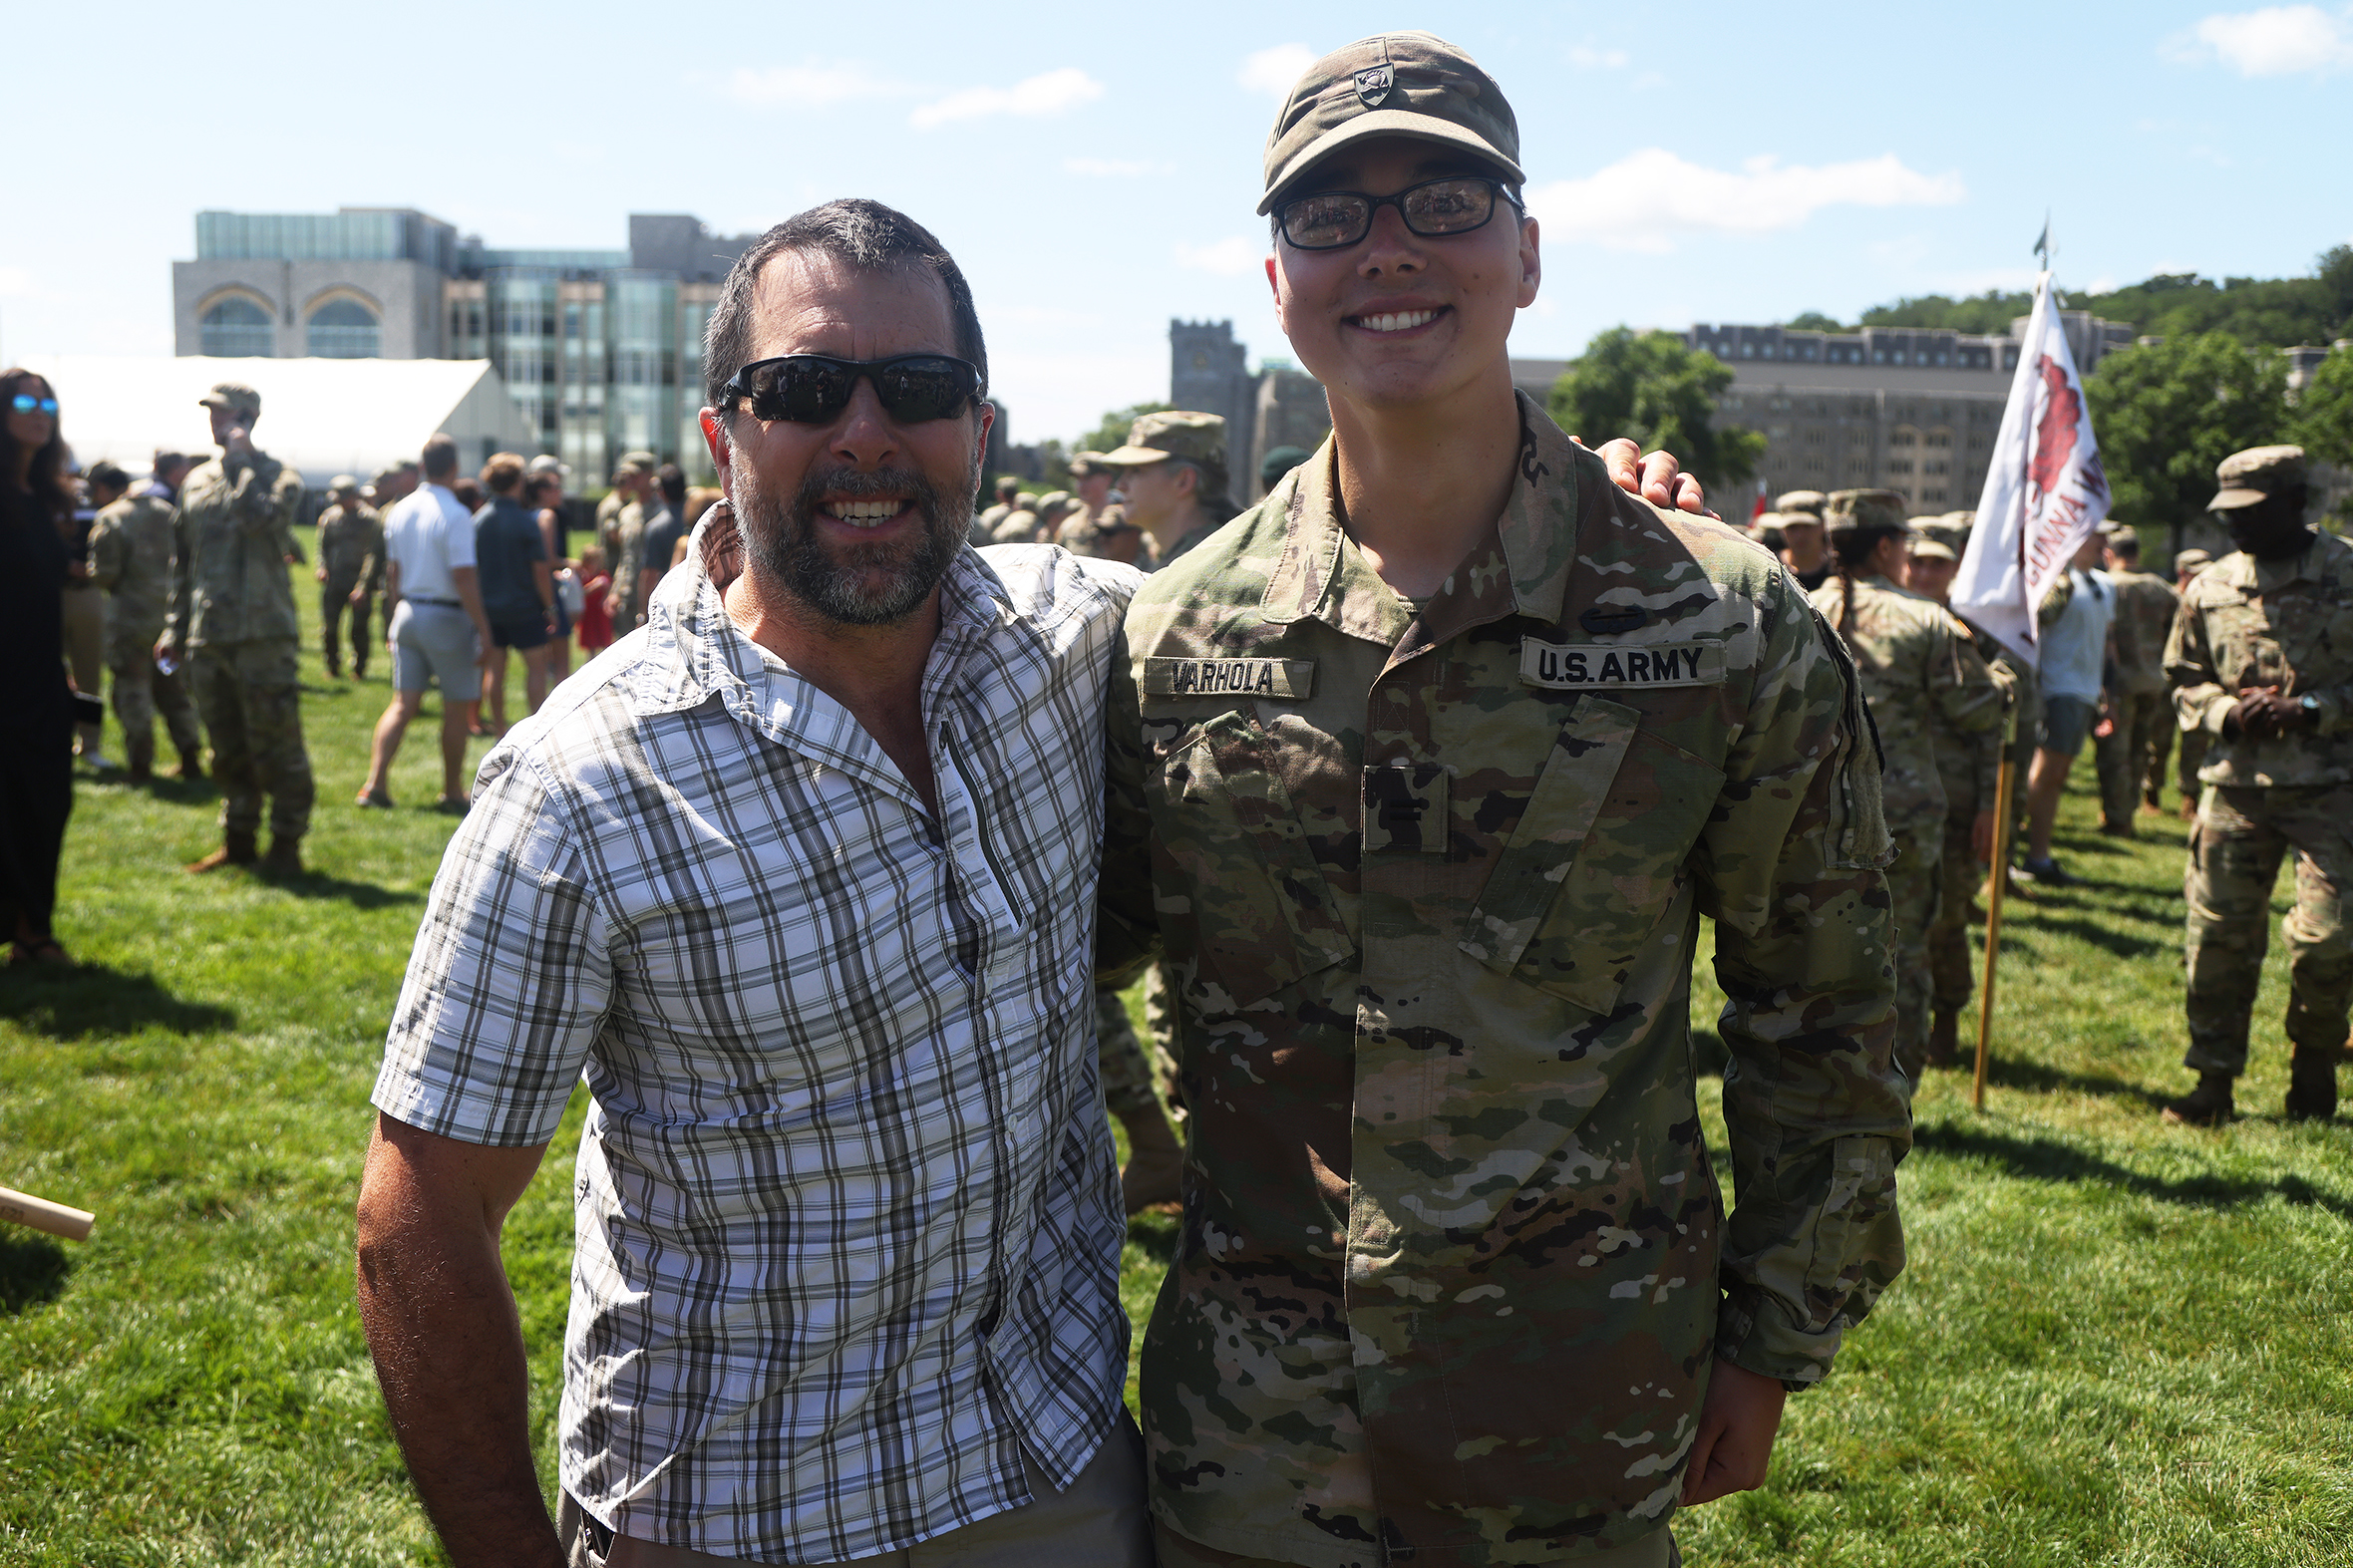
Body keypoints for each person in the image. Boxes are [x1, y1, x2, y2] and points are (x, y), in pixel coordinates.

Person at [1098, 35, 1906, 1567]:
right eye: (1328, 216)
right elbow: (1090, 960)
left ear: (1526, 255)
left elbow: (1838, 1003)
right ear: (1277, 282)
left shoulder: (1711, 621)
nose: (1387, 248)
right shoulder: (1172, 635)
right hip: (1259, 1437)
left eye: (1445, 200)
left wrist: (1775, 1334)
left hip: (1578, 1414)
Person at [356, 196, 1158, 1568]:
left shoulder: (1072, 639)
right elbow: (419, 1210)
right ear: (724, 433)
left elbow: (1335, 587)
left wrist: (1608, 506)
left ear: (979, 429)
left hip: (1055, 1461)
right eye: (800, 389)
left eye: (917, 388)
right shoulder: (582, 782)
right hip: (739, 1513)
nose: (864, 433)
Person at [2160, 445, 2352, 1127]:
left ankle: (2313, 1070)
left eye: (2253, 512)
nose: (2235, 526)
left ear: (2298, 502)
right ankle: (2212, 1082)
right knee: (2216, 936)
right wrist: (2223, 711)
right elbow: (2183, 676)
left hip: (2333, 789)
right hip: (2237, 788)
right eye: (2227, 514)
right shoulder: (2208, 586)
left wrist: (2311, 709)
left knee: (2328, 940)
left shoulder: (2348, 571)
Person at [1813, 499, 2008, 1080]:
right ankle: (1898, 1082)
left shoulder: (1795, 606)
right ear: (1884, 548)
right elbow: (1977, 710)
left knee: (1817, 949)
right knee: (1902, 951)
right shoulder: (1926, 620)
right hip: (1902, 816)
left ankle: (1824, 1074)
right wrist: (2004, 681)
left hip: (1808, 809)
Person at [163, 382, 313, 876]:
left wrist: (243, 463)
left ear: (248, 418)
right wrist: (174, 627)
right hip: (209, 636)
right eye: (211, 412)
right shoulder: (195, 481)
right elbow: (184, 563)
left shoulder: (278, 477)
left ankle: (287, 844)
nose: (214, 420)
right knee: (226, 746)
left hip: (262, 636)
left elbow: (260, 522)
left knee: (277, 745)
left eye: (223, 413)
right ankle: (239, 839)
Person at [1906, 535, 2028, 1061]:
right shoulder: (1888, 621)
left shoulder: (1970, 634)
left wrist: (1988, 806)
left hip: (1954, 800)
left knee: (1947, 917)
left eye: (1937, 564)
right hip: (1896, 799)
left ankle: (1947, 1019)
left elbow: (1989, 729)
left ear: (1954, 571)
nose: (1926, 572)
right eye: (1918, 562)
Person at [359, 434, 495, 812]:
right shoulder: (455, 514)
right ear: (454, 468)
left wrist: (394, 616)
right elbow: (464, 577)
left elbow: (392, 572)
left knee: (402, 704)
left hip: (408, 612)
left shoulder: (400, 510)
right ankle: (452, 790)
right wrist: (483, 628)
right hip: (446, 615)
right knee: (455, 706)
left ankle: (375, 783)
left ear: (421, 466)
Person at [1, 368, 78, 965]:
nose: (39, 410)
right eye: (24, 401)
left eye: (47, 401)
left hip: (42, 677)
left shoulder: (47, 496)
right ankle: (27, 934)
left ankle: (34, 922)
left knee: (47, 802)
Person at [88, 453, 204, 782]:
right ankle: (190, 756)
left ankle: (141, 763)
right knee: (174, 692)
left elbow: (105, 574)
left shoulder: (111, 517)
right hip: (169, 619)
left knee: (132, 690)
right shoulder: (168, 512)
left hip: (130, 619)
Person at [2017, 533, 2114, 886]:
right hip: (2057, 688)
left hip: (2085, 691)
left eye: (2104, 536)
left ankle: (2036, 854)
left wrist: (2107, 694)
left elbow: (2105, 643)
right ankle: (2028, 855)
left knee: (2055, 777)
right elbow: (2033, 627)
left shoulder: (2103, 583)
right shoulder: (2054, 581)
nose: (2101, 541)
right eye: (2093, 535)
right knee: (2045, 775)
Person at [2094, 525, 2181, 832]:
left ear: (2109, 554)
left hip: (2117, 683)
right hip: (2153, 680)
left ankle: (2118, 817)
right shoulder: (2160, 588)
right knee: (2139, 749)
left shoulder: (2106, 586)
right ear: (2137, 553)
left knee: (2115, 753)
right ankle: (2129, 806)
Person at [471, 453, 554, 735]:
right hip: (525, 608)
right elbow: (540, 571)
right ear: (518, 481)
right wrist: (550, 607)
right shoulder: (525, 521)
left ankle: (499, 729)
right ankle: (538, 729)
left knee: (495, 670)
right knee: (536, 669)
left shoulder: (478, 520)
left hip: (490, 609)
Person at [1095, 412, 1233, 566]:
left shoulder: (1208, 565)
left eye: (1136, 471)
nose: (1120, 485)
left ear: (1183, 481)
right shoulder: (1187, 555)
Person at [61, 459, 113, 767]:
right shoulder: (33, 497)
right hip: (47, 592)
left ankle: (89, 744)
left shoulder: (94, 504)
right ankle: (54, 738)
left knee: (89, 671)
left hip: (87, 593)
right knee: (47, 672)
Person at [316, 474, 387, 680]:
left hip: (358, 580)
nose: (337, 501)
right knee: (329, 626)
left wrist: (363, 586)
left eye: (342, 497)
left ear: (354, 496)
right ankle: (332, 666)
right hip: (334, 581)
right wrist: (322, 567)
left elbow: (373, 555)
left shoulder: (371, 519)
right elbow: (322, 547)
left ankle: (359, 668)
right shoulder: (329, 517)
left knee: (359, 627)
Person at [2171, 547, 2215, 819]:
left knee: (2194, 740)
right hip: (2169, 678)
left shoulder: (2209, 596)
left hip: (2197, 679)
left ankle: (2189, 797)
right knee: (2159, 741)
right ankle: (2150, 793)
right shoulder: (2169, 596)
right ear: (2182, 572)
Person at [523, 470, 576, 680]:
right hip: (549, 591)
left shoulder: (525, 515)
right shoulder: (547, 515)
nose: (560, 492)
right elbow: (546, 558)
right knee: (562, 659)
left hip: (528, 591)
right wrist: (571, 563)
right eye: (556, 488)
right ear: (542, 492)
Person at [598, 454, 656, 639]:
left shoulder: (660, 510)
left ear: (649, 474)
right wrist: (615, 591)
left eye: (635, 475)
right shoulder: (627, 512)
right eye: (626, 475)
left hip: (653, 594)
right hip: (626, 595)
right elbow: (626, 558)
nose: (629, 480)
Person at [634, 463, 688, 612]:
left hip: (669, 604)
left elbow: (650, 575)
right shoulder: (699, 517)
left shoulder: (656, 528)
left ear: (661, 492)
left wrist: (643, 612)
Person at [1775, 487, 1831, 591]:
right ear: (1782, 530)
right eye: (1792, 527)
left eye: (1807, 526)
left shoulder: (1836, 572)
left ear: (1823, 526)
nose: (1800, 535)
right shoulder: (1771, 571)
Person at [572, 542, 613, 656]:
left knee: (604, 640)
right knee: (590, 643)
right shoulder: (583, 577)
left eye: (595, 561)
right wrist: (593, 586)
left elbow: (608, 588)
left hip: (600, 613)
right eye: (589, 561)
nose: (592, 564)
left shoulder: (603, 575)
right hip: (588, 613)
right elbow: (580, 593)